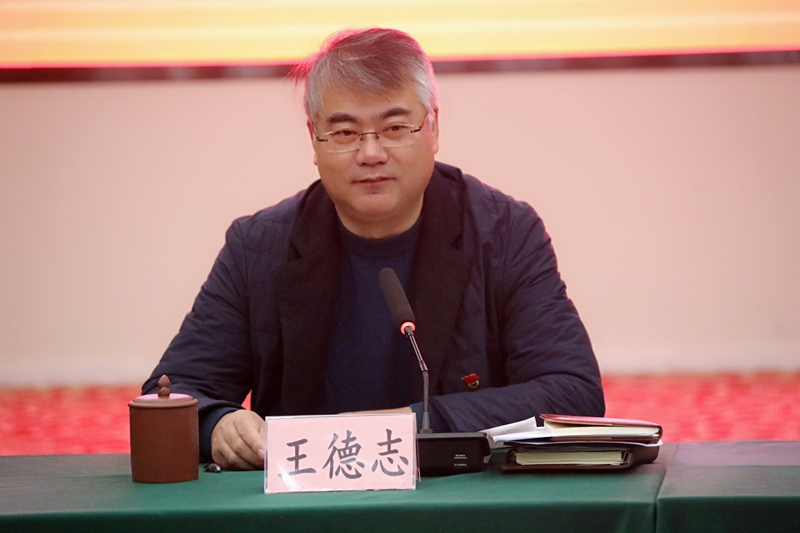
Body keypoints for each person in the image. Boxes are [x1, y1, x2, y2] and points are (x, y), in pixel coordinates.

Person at [144, 28, 605, 470]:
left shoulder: (503, 233)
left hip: (458, 496)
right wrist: (216, 424)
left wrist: (412, 425)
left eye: (395, 127)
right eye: (345, 133)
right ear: (314, 140)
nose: (371, 153)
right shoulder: (259, 246)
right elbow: (169, 393)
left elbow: (573, 393)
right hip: (307, 502)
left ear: (433, 129)